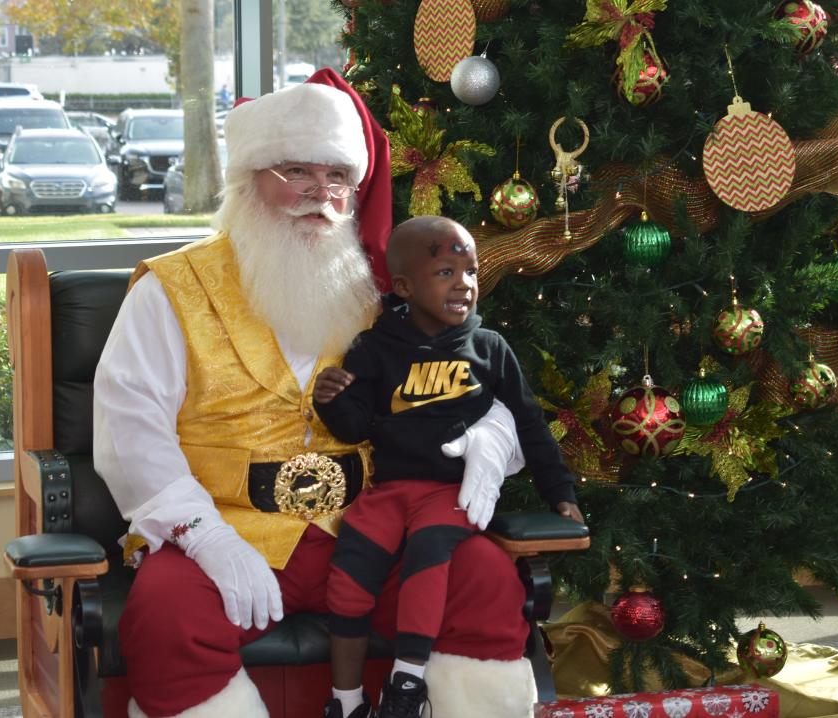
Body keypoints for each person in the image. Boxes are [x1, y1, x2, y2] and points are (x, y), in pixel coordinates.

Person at [93, 70, 540, 718]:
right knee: (167, 614)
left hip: (371, 529)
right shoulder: (172, 289)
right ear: (250, 180)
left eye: (337, 178)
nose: (319, 195)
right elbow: (129, 431)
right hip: (226, 530)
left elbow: (476, 378)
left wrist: (494, 436)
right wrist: (207, 538)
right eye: (296, 172)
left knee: (484, 579)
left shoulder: (383, 295)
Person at [313, 215, 584, 718]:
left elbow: (530, 426)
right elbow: (355, 428)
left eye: (472, 272)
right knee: (351, 573)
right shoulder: (373, 349)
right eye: (446, 272)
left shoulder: (489, 349)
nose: (465, 284)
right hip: (391, 490)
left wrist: (561, 494)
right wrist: (331, 400)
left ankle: (407, 686)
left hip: (450, 492)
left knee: (430, 552)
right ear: (404, 286)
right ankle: (346, 701)